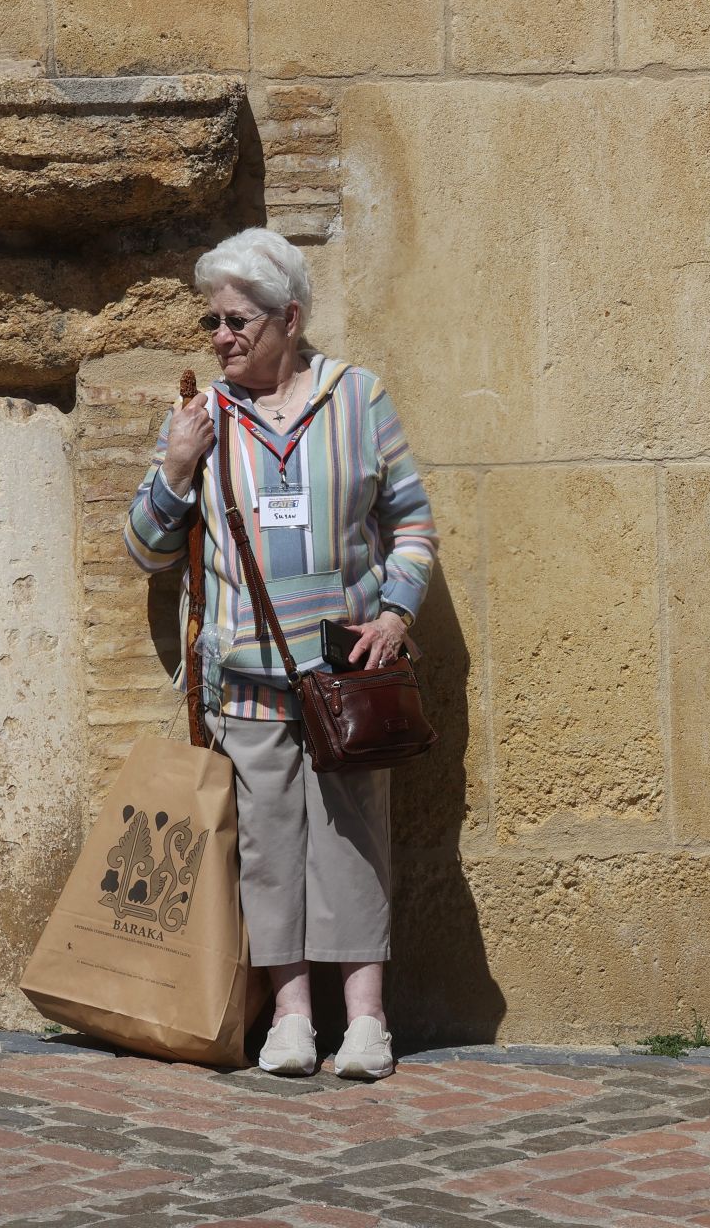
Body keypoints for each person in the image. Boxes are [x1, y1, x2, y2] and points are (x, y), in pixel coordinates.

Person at [122, 228, 437, 1078]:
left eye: (238, 321)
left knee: (354, 845)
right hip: (248, 683)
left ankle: (366, 1021)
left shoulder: (358, 399)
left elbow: (411, 524)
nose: (221, 337)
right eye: (212, 322)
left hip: (346, 679)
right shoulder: (201, 417)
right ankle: (291, 1019)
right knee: (266, 852)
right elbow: (145, 549)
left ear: (289, 319)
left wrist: (396, 614)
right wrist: (175, 470)